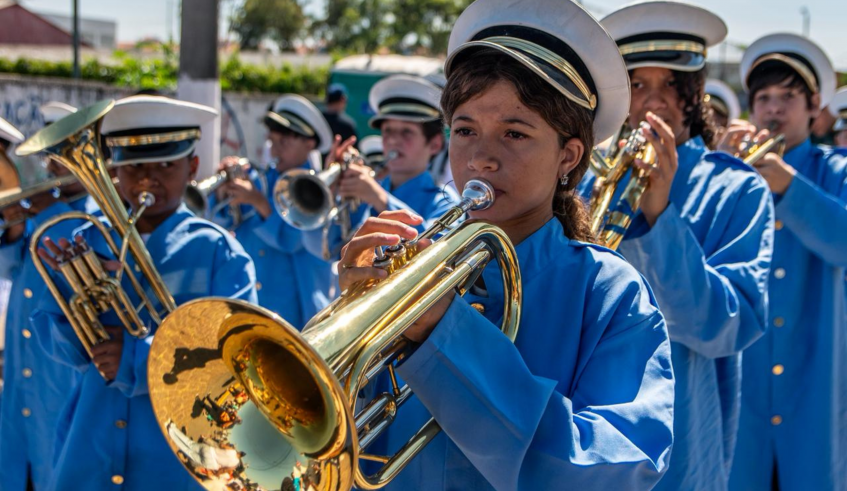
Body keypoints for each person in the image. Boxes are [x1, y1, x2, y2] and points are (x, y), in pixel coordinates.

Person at [337, 0, 674, 488]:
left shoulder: (611, 293)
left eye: (514, 133)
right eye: (465, 129)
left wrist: (444, 336)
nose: (481, 159)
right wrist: (355, 320)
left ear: (569, 156)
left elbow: (617, 471)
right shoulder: (412, 257)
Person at [30, 95, 257, 491]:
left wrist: (137, 356)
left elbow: (235, 360)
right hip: (88, 446)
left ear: (193, 167)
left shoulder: (220, 252)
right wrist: (72, 299)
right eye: (133, 166)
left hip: (178, 463)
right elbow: (61, 349)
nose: (147, 179)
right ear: (114, 170)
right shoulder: (87, 241)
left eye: (165, 165)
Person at [596, 3, 775, 490]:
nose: (655, 101)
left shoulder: (738, 189)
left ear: (694, 93)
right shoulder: (589, 185)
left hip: (683, 456)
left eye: (672, 83)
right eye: (639, 85)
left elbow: (721, 326)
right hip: (587, 447)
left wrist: (660, 216)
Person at [725, 33, 847, 491]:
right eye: (764, 99)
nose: (774, 109)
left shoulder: (836, 170)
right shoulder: (731, 175)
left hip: (817, 386)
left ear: (814, 105)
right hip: (744, 390)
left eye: (788, 97)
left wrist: (785, 183)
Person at [0, 109, 91, 491]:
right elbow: (10, 270)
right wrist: (14, 228)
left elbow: (81, 252)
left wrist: (47, 210)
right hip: (22, 383)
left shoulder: (99, 218)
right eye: (51, 156)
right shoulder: (41, 212)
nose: (53, 166)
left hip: (62, 387)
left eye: (63, 154)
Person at [211, 95, 336, 329]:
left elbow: (296, 240)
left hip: (297, 314)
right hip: (250, 304)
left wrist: (259, 202)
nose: (276, 149)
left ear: (309, 144)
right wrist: (223, 191)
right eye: (273, 141)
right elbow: (224, 220)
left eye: (285, 142)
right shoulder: (260, 179)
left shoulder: (318, 190)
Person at [316, 75, 460, 259]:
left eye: (407, 131)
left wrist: (380, 198)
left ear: (435, 144)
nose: (392, 140)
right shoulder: (365, 194)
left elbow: (439, 252)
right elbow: (328, 251)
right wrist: (329, 195)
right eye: (387, 131)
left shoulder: (446, 202)